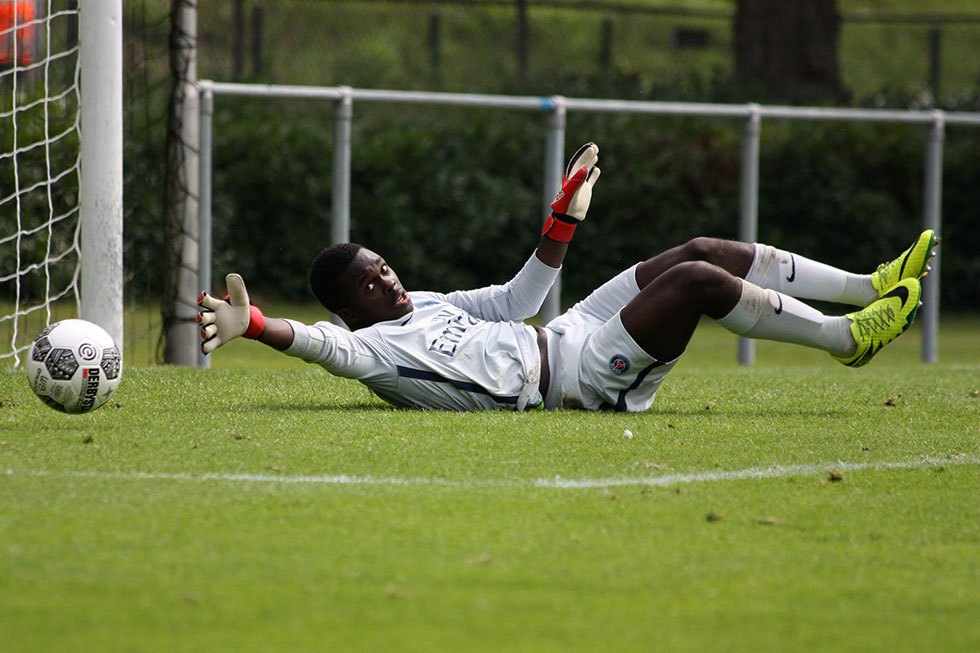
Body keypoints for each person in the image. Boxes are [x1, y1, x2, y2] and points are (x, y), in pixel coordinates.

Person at [198, 142, 938, 412]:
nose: (388, 282)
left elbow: (517, 300)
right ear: (349, 310)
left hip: (564, 330)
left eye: (383, 266)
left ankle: (867, 287)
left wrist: (562, 223)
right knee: (697, 285)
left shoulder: (420, 303)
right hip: (576, 379)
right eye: (370, 284)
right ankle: (847, 339)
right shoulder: (372, 353)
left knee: (699, 248)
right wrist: (254, 324)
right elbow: (320, 345)